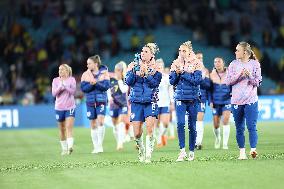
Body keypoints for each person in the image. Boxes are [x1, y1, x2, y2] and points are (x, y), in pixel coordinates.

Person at [125, 43, 162, 163]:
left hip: (151, 100)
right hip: (136, 101)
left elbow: (155, 83)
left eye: (146, 52)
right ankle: (141, 149)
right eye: (142, 51)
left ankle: (148, 155)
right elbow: (128, 82)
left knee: (150, 128)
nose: (143, 53)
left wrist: (146, 74)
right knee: (136, 133)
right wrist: (134, 72)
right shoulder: (133, 64)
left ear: (152, 54)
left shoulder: (156, 67)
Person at [225, 41, 262, 160]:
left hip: (251, 100)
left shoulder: (255, 64)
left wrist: (250, 76)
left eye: (237, 50)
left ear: (245, 52)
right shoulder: (233, 64)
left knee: (251, 126)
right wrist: (240, 75)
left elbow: (258, 82)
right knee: (239, 128)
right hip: (236, 101)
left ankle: (253, 150)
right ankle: (242, 153)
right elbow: (228, 82)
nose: (235, 52)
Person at [169, 41, 202, 161]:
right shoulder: (175, 63)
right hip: (180, 98)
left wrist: (183, 72)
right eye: (180, 51)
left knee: (192, 126)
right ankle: (182, 152)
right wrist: (177, 74)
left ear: (189, 52)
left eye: (184, 51)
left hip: (193, 98)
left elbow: (197, 80)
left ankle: (192, 151)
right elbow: (172, 81)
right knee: (180, 124)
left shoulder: (197, 63)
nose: (181, 53)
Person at [81, 55, 110, 154]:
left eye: (89, 63)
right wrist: (91, 84)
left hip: (101, 100)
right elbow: (84, 88)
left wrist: (96, 83)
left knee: (100, 122)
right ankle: (95, 146)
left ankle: (100, 146)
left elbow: (106, 86)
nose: (87, 65)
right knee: (93, 124)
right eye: (87, 63)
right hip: (90, 101)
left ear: (95, 64)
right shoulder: (85, 74)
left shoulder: (104, 73)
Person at [52, 64, 76, 155]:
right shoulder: (55, 80)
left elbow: (73, 92)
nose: (60, 71)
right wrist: (60, 87)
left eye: (62, 69)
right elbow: (54, 94)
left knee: (69, 127)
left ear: (67, 71)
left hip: (70, 107)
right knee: (61, 129)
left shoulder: (71, 79)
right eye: (59, 69)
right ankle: (64, 149)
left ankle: (70, 147)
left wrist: (65, 86)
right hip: (59, 107)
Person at [209, 57, 231, 150]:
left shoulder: (230, 73)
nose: (217, 63)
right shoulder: (211, 75)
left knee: (225, 121)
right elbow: (209, 90)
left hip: (227, 101)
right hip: (216, 102)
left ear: (223, 63)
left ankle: (225, 144)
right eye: (215, 62)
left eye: (219, 61)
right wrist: (210, 101)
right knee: (216, 124)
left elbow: (233, 86)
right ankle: (218, 138)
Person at [109, 61, 129, 151]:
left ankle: (120, 144)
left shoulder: (125, 81)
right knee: (115, 125)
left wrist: (119, 80)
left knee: (121, 122)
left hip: (122, 104)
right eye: (115, 70)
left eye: (118, 70)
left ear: (121, 71)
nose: (116, 72)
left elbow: (124, 90)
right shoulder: (112, 80)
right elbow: (108, 90)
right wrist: (109, 98)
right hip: (113, 105)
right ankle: (119, 140)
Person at [155, 58, 173, 148]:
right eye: (157, 67)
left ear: (162, 67)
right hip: (155, 104)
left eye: (160, 67)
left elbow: (170, 90)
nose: (159, 68)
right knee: (156, 123)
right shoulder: (152, 78)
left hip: (165, 103)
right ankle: (159, 140)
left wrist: (172, 102)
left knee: (165, 123)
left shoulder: (166, 77)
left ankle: (163, 135)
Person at [195, 52, 211, 150]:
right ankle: (194, 141)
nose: (200, 59)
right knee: (192, 121)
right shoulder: (190, 69)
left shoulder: (205, 71)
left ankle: (199, 142)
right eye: (198, 57)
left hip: (202, 98)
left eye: (201, 57)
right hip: (191, 98)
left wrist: (202, 78)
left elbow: (208, 85)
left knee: (200, 119)